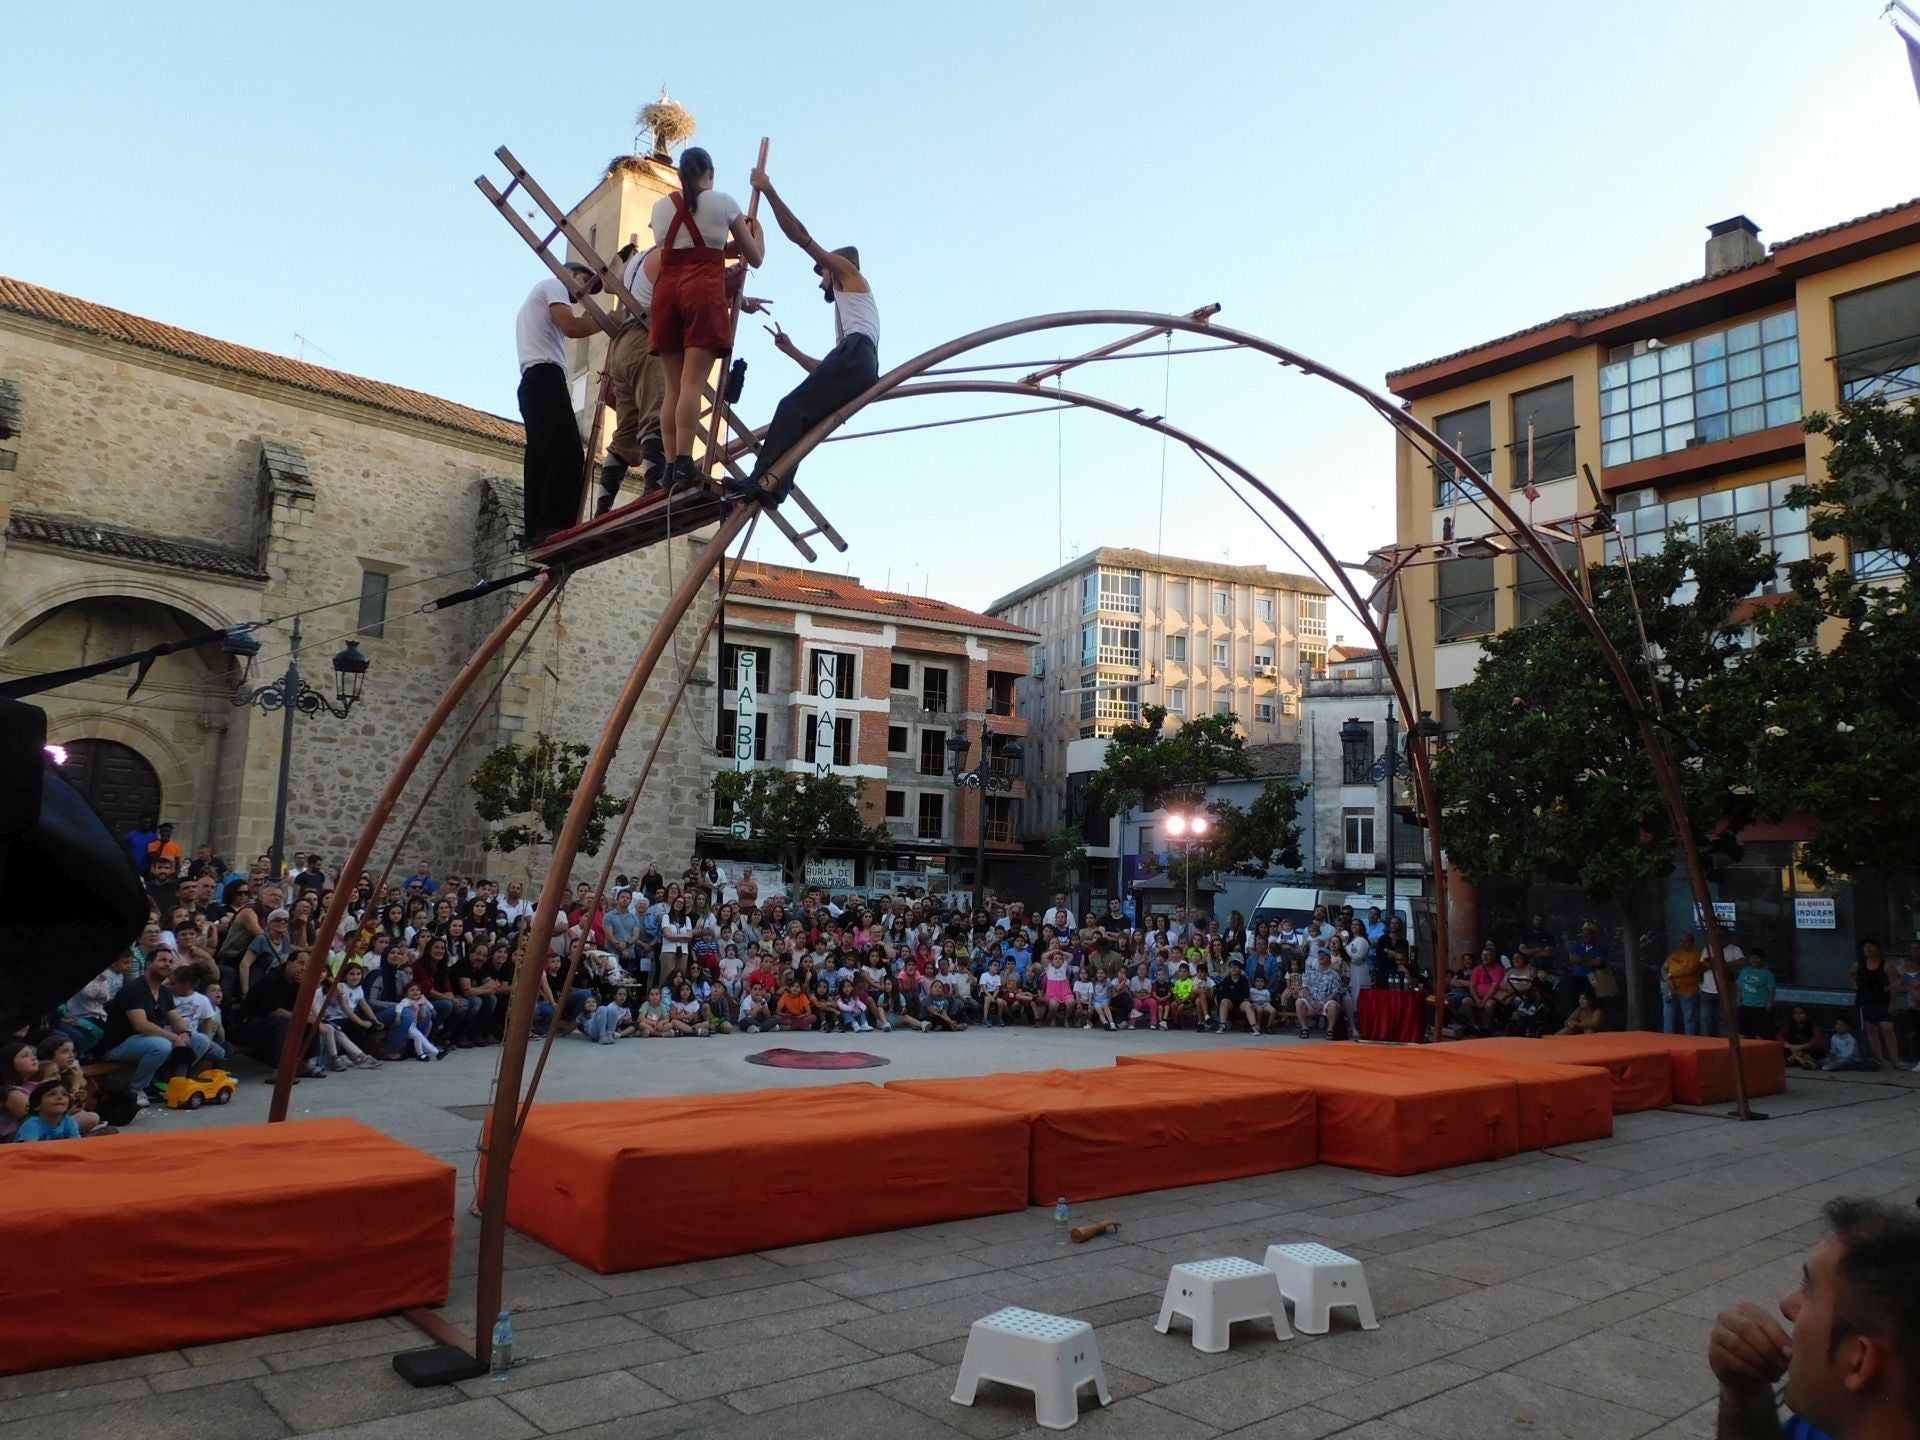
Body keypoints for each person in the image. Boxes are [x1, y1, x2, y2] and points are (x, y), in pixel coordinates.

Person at [1708, 1197, 1920, 1440]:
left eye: (1809, 1287)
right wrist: (1744, 1398)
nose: (1787, 1305)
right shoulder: (1826, 1424)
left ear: (1858, 1361)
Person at [727, 165, 878, 504]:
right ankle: (771, 487)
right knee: (801, 419)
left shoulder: (847, 274)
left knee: (791, 408)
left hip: (857, 358)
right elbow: (828, 371)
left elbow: (800, 235)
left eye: (821, 271)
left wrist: (767, 190)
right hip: (858, 364)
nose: (820, 279)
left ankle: (764, 483)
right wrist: (791, 351)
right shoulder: (852, 315)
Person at [649, 146, 765, 487]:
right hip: (702, 291)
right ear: (709, 174)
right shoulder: (723, 201)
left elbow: (683, 246)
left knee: (672, 387)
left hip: (666, 294)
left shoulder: (659, 208)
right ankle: (685, 460)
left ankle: (671, 464)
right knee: (692, 384)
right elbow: (754, 257)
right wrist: (755, 231)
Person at [515, 260, 606, 545]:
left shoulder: (540, 294)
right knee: (567, 453)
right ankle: (556, 527)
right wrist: (607, 321)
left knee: (542, 458)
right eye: (582, 281)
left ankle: (538, 530)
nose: (582, 293)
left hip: (534, 380)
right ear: (568, 273)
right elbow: (572, 326)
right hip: (545, 376)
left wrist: (616, 263)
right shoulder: (552, 284)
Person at [595, 242, 668, 515]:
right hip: (646, 337)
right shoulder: (663, 255)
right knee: (655, 412)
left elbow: (609, 285)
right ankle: (654, 487)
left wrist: (619, 257)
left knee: (626, 431)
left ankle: (602, 507)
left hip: (622, 346)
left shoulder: (635, 263)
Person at [1851, 943, 1899, 1071]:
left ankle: (1896, 1059)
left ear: (1878, 949)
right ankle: (1881, 1059)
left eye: (1871, 946)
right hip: (1866, 1000)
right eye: (1865, 947)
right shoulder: (1859, 964)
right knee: (1870, 1029)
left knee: (1887, 1029)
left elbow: (1894, 983)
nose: (1868, 949)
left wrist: (1893, 1002)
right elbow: (1851, 974)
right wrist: (1855, 985)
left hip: (1882, 1000)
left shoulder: (1886, 965)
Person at [1664, 933, 1706, 1036]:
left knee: (1689, 1018)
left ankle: (1689, 1040)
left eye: (1686, 941)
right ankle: (1667, 1038)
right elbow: (1664, 968)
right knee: (1669, 1016)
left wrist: (1670, 975)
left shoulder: (1696, 956)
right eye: (1681, 941)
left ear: (1692, 942)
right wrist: (1668, 979)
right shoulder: (1674, 955)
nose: (1683, 943)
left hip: (1688, 991)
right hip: (1671, 989)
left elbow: (1689, 971)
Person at [15, 1081, 83, 1143]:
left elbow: (76, 1144)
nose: (60, 1097)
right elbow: (30, 1151)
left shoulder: (69, 1121)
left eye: (64, 1094)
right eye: (52, 1094)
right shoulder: (31, 1125)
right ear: (37, 1105)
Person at [1734, 948, 1778, 1040]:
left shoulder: (1767, 973)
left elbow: (1771, 990)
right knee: (1742, 1031)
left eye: (1758, 958)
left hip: (1760, 1007)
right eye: (1752, 958)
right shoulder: (1744, 971)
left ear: (1763, 960)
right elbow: (1739, 986)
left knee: (1759, 1033)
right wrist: (1738, 999)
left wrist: (1770, 1003)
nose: (1755, 960)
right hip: (1745, 1005)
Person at [1780, 1005, 1826, 1070]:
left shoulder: (1813, 1025)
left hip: (1813, 1053)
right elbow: (1779, 1036)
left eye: (1800, 1013)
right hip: (1795, 1050)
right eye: (1795, 1013)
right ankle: (1803, 1061)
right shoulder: (1790, 1025)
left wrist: (1801, 1046)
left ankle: (1801, 1060)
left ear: (1806, 1014)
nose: (1797, 1015)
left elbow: (1818, 1042)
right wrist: (1789, 1045)